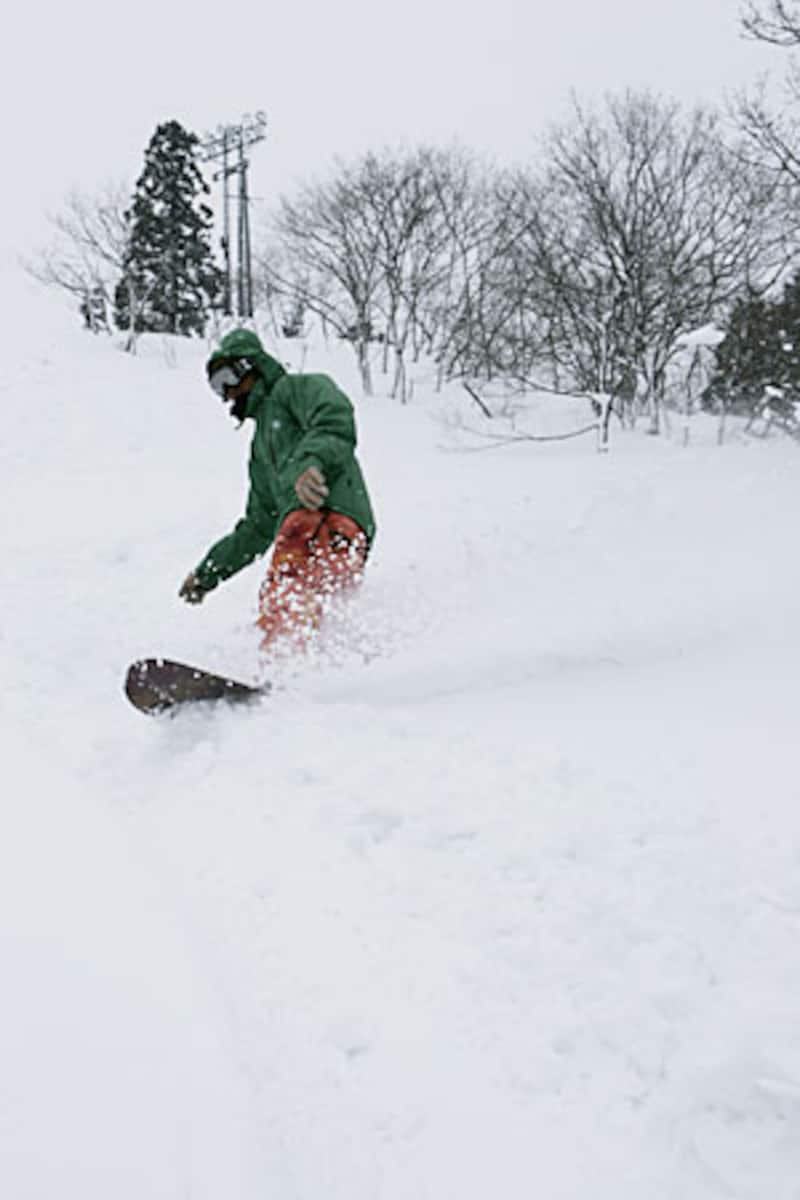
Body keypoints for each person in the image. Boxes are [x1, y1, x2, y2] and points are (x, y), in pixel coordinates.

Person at [179, 328, 376, 653]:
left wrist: (311, 463)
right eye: (217, 387)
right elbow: (257, 528)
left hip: (324, 513)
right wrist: (207, 574)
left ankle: (282, 664)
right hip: (339, 535)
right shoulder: (261, 452)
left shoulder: (295, 389)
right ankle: (327, 667)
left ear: (249, 366)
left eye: (227, 378)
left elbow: (334, 417)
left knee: (287, 587)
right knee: (321, 606)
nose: (227, 393)